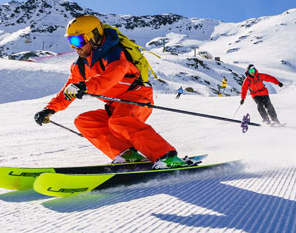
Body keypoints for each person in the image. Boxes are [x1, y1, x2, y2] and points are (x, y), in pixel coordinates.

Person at [33, 15, 186, 169]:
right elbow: (68, 91)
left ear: (94, 36)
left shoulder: (116, 54)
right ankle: (127, 155)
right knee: (85, 121)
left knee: (120, 121)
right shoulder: (80, 65)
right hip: (115, 105)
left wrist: (85, 86)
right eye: (70, 42)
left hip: (138, 96)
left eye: (78, 41)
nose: (75, 47)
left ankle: (166, 156)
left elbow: (111, 77)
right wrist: (49, 109)